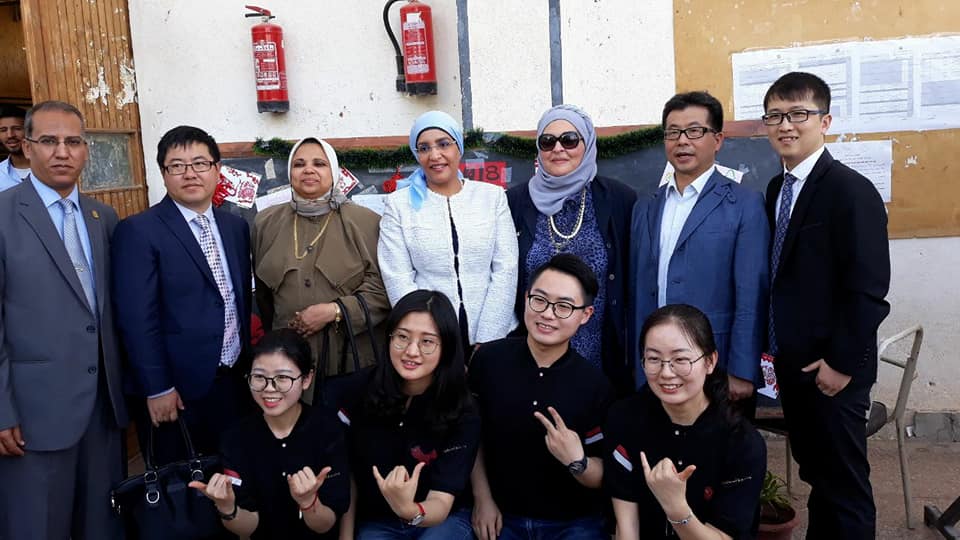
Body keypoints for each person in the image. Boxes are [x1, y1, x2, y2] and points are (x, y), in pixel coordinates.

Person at [762, 71, 890, 539]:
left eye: (798, 113)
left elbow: (868, 289)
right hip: (795, 367)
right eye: (775, 115)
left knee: (845, 488)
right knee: (819, 477)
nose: (786, 125)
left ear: (826, 121)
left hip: (834, 371)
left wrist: (841, 363)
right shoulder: (778, 189)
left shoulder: (850, 190)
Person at [0, 101, 127, 539]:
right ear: (26, 147)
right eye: (49, 141)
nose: (62, 152)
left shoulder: (102, 218)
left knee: (100, 526)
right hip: (31, 415)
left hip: (101, 410)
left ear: (86, 149)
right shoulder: (3, 215)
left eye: (73, 141)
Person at [112, 125, 253, 467]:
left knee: (234, 475)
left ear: (217, 170)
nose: (190, 174)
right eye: (177, 166)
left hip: (233, 382)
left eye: (200, 163)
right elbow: (136, 319)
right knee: (182, 485)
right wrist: (157, 387)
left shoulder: (235, 227)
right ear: (163, 173)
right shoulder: (139, 231)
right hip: (176, 391)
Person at [630, 91, 769, 403]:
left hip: (715, 364)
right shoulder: (645, 206)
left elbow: (751, 293)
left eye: (694, 131)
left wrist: (743, 369)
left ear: (717, 140)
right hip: (654, 366)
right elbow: (638, 292)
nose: (682, 141)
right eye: (673, 132)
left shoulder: (744, 204)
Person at [470, 254, 613, 540]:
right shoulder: (488, 360)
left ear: (585, 315)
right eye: (540, 300)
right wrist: (482, 499)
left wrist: (577, 461)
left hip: (572, 522)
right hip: (500, 516)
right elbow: (469, 437)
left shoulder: (594, 384)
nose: (548, 314)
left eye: (564, 306)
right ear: (526, 298)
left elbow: (604, 474)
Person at [604, 304, 766, 539]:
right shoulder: (624, 418)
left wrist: (675, 507)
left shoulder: (741, 441)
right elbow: (626, 527)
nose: (666, 373)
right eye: (654, 359)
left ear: (710, 361)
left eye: (680, 359)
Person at [507, 104, 636, 395]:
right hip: (532, 348)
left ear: (587, 144)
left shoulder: (619, 199)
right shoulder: (515, 202)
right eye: (547, 141)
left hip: (600, 352)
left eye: (569, 140)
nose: (558, 149)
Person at [337, 289, 480, 539]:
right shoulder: (357, 391)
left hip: (441, 519)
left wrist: (410, 510)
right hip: (379, 520)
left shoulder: (462, 406)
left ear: (446, 347)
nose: (411, 351)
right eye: (402, 337)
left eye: (427, 342)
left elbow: (442, 501)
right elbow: (346, 475)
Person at [189, 329, 350, 539]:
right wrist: (227, 508)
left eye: (282, 377)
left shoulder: (328, 429)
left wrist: (309, 502)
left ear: (306, 379)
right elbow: (248, 528)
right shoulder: (235, 437)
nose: (269, 388)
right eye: (259, 377)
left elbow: (325, 525)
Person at [378, 110, 518, 350]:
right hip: (430, 339)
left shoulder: (491, 197)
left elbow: (506, 269)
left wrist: (488, 339)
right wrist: (431, 337)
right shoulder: (398, 205)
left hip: (494, 333)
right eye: (424, 148)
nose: (435, 155)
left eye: (444, 144)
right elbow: (398, 278)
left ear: (458, 148)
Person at [254, 136, 389, 383]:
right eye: (299, 164)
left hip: (349, 360)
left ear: (334, 171)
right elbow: (263, 297)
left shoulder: (366, 222)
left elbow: (383, 290)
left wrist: (334, 311)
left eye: (319, 163)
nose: (308, 170)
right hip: (287, 363)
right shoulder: (266, 223)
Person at [0, 105, 30, 191]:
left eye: (17, 128)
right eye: (3, 130)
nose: (10, 135)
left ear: (29, 131)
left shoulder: (49, 168)